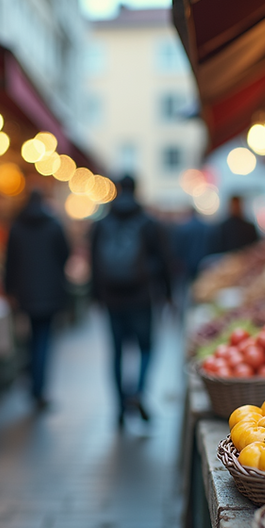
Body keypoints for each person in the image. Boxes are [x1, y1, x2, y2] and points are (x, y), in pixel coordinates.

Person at [90, 175, 172, 426]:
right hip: (141, 297)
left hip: (112, 299)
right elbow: (164, 260)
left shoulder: (102, 224)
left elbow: (93, 262)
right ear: (137, 190)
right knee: (146, 348)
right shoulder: (148, 222)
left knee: (116, 352)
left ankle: (119, 408)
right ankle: (137, 392)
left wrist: (96, 296)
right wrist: (167, 294)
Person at [4, 189, 71, 410]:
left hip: (25, 293)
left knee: (30, 338)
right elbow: (65, 254)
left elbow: (9, 261)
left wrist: (9, 289)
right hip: (50, 292)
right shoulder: (54, 225)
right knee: (43, 339)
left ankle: (33, 383)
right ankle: (39, 388)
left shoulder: (16, 227)